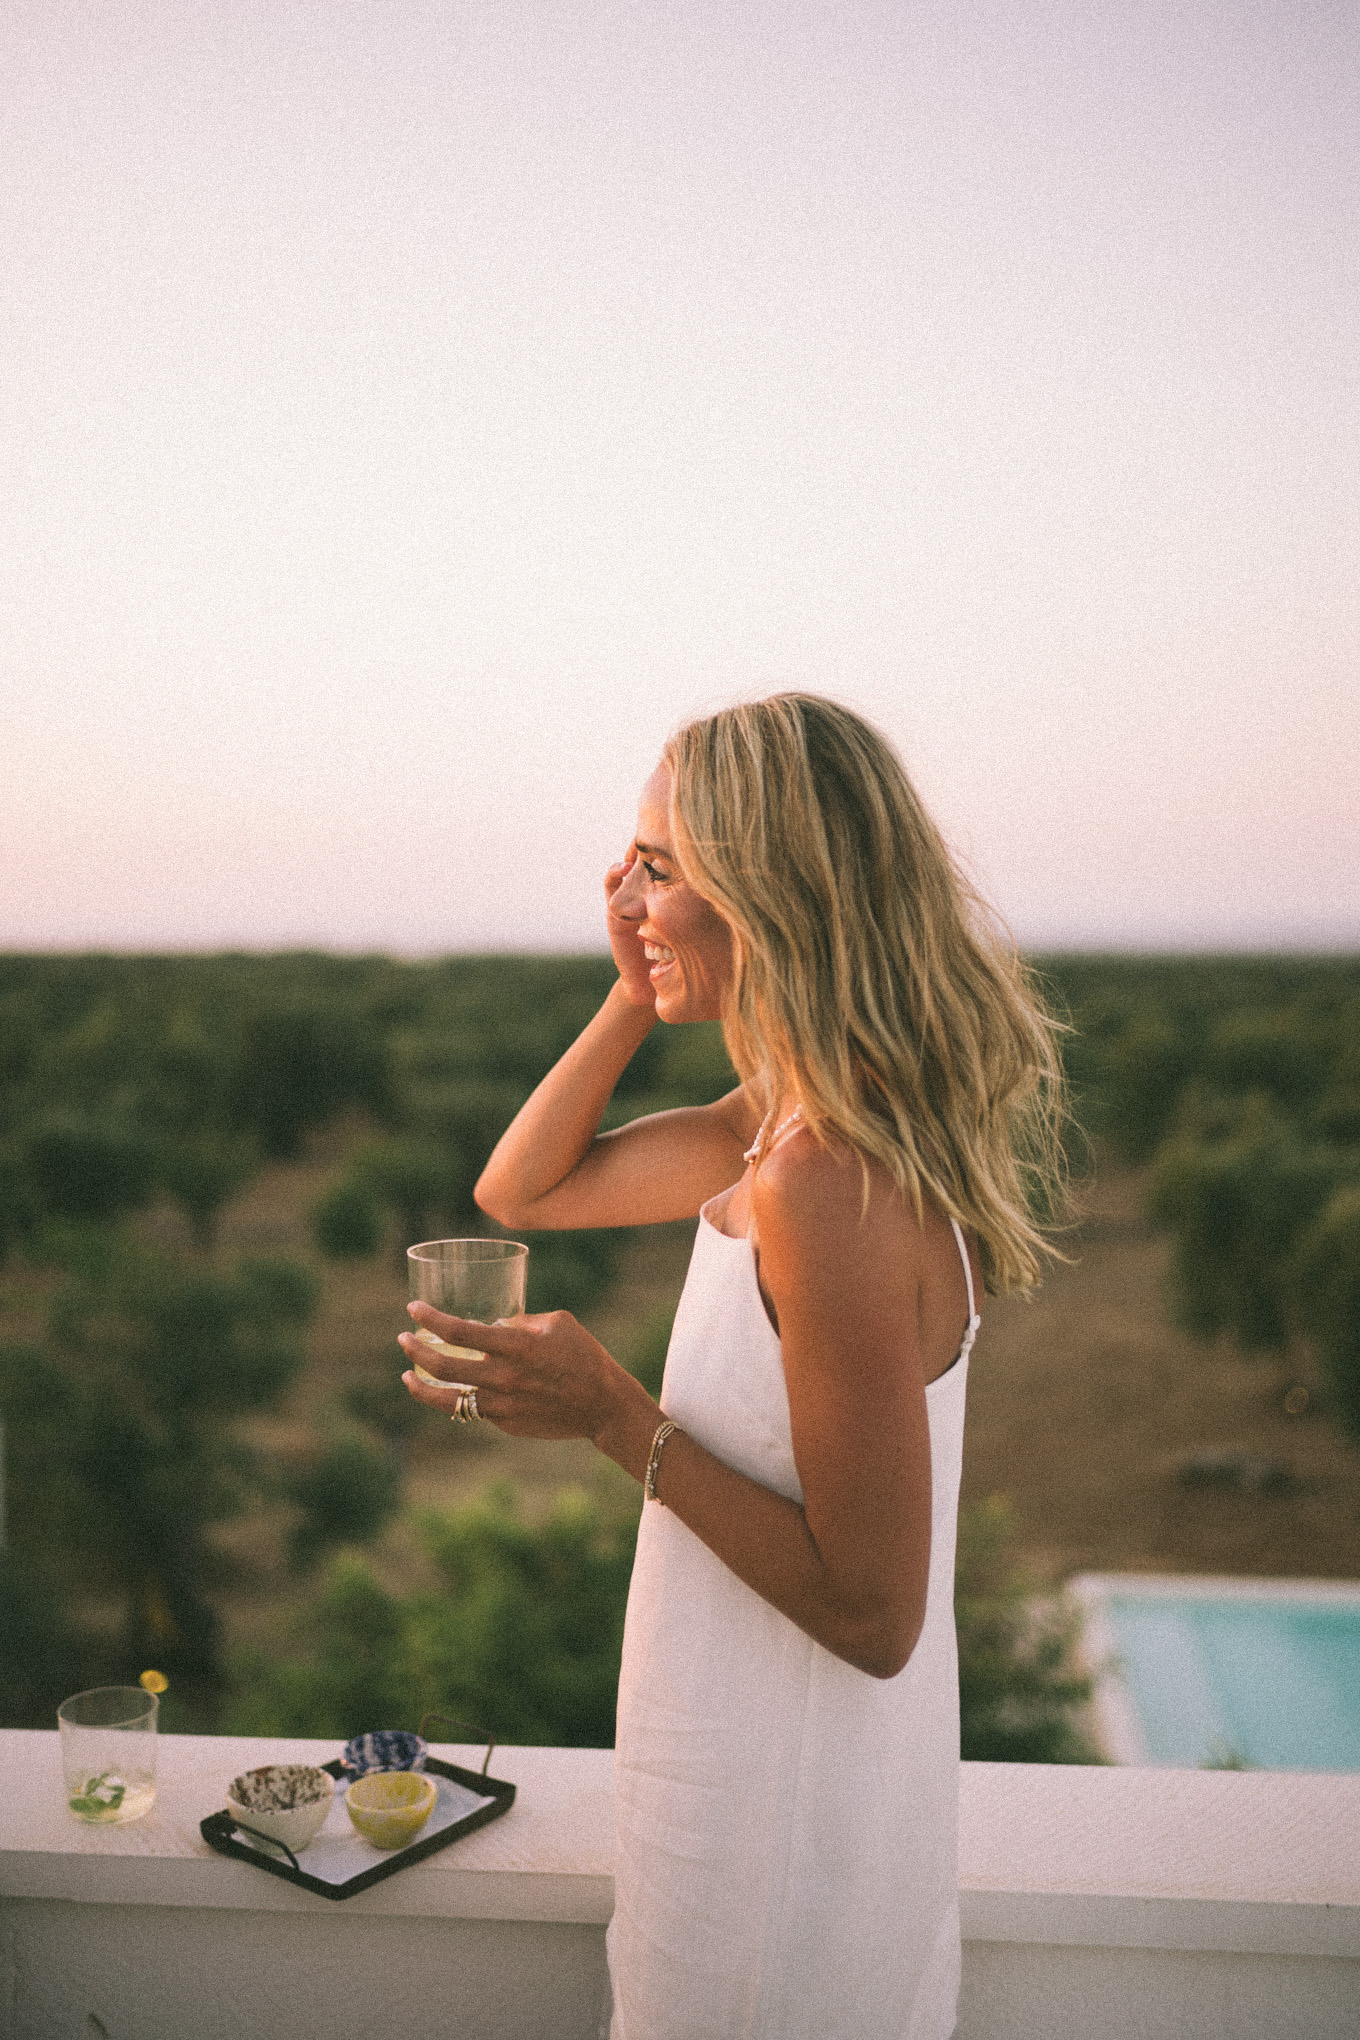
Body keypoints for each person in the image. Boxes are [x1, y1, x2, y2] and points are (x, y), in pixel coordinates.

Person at [400, 693, 1066, 2040]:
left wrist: (614, 1418)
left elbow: (876, 1618)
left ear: (773, 892)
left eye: (662, 864)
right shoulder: (780, 1127)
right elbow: (521, 1191)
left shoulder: (829, 1179)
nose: (627, 893)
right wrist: (633, 981)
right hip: (750, 1798)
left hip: (785, 1851)